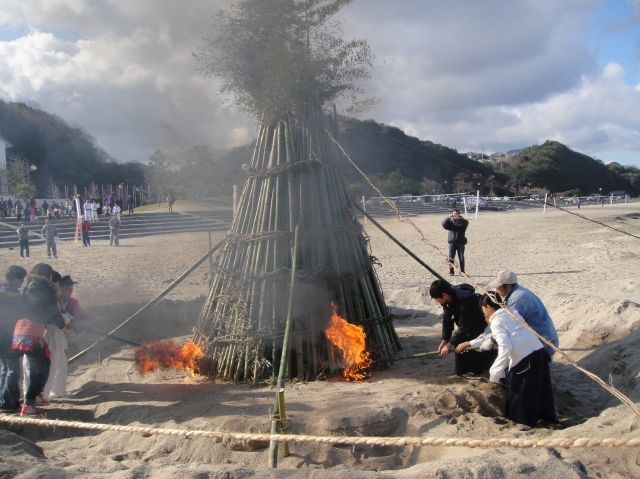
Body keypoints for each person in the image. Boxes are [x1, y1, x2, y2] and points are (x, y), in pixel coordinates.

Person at [479, 292, 556, 427]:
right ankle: (548, 418)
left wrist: (495, 373)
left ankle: (523, 421)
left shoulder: (496, 321)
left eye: (482, 308)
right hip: (538, 351)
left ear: (488, 307)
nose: (483, 311)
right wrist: (490, 339)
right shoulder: (511, 311)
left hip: (524, 357)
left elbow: (505, 346)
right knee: (541, 388)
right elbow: (512, 332)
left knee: (520, 392)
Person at [14, 263, 66, 415]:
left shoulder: (28, 288)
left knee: (45, 363)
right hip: (32, 333)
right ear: (49, 276)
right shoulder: (48, 289)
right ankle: (28, 404)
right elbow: (53, 312)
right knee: (38, 369)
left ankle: (37, 395)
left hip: (21, 331)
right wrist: (62, 323)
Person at [429, 280, 497, 377]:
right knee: (458, 342)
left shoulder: (465, 300)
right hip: (466, 324)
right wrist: (445, 340)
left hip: (477, 322)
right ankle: (463, 371)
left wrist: (449, 344)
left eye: (436, 298)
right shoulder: (447, 301)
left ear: (444, 295)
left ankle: (480, 369)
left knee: (474, 341)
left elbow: (464, 327)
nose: (436, 301)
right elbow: (447, 321)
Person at [487, 270, 559, 358]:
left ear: (509, 287)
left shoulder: (516, 301)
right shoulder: (518, 291)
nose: (496, 290)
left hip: (545, 343)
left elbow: (508, 326)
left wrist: (489, 340)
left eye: (498, 287)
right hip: (545, 339)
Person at [43, 275, 84, 400]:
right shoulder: (52, 298)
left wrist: (78, 322)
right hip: (51, 334)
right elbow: (56, 315)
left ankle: (58, 391)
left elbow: (66, 313)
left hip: (59, 334)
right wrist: (69, 321)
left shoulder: (65, 300)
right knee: (52, 365)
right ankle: (44, 394)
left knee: (61, 364)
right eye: (67, 288)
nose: (71, 290)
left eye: (71, 287)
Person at [0, 266, 28, 412]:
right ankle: (9, 402)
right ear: (15, 279)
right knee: (13, 370)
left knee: (5, 369)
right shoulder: (12, 296)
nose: (23, 282)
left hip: (3, 336)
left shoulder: (2, 290)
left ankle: (3, 400)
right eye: (21, 279)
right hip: (8, 336)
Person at [442, 209, 469, 276]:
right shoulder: (450, 222)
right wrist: (448, 218)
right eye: (454, 213)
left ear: (459, 214)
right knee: (451, 258)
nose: (455, 215)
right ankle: (451, 271)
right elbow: (444, 225)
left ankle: (462, 271)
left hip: (460, 242)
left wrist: (459, 218)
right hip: (452, 242)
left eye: (456, 213)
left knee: (461, 257)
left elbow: (466, 223)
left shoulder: (462, 222)